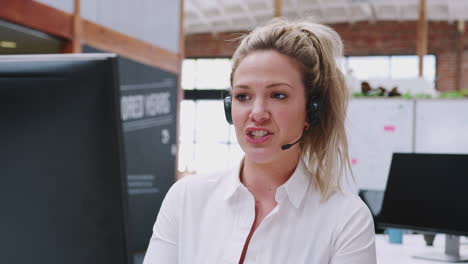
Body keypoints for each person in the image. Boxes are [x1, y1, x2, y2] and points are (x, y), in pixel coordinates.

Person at [143, 18, 376, 264]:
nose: (257, 112)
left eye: (278, 95)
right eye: (243, 96)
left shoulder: (347, 219)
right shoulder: (186, 198)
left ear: (311, 110)